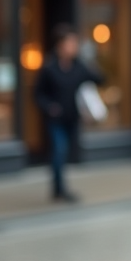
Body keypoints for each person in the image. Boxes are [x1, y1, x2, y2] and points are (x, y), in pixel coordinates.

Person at [33, 25, 103, 203]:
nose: (74, 46)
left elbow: (100, 79)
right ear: (60, 45)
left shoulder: (79, 66)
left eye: (75, 43)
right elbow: (38, 94)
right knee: (59, 151)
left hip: (73, 119)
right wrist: (50, 107)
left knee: (64, 153)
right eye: (70, 43)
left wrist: (89, 60)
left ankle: (59, 188)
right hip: (55, 119)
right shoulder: (49, 68)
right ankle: (59, 190)